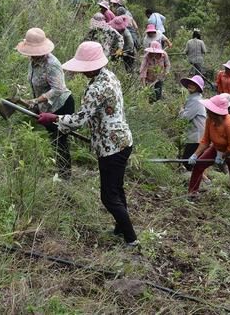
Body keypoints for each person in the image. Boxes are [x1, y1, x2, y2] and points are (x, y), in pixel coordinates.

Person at [37, 42, 139, 247]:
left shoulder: (98, 87)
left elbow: (80, 120)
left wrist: (54, 118)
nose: (82, 72)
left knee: (109, 197)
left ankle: (131, 239)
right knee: (116, 189)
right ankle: (121, 229)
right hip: (121, 140)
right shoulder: (109, 76)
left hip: (112, 146)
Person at [16, 28, 75, 179]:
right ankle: (57, 168)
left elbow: (58, 89)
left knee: (59, 141)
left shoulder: (52, 64)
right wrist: (34, 102)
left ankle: (64, 176)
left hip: (61, 106)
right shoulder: (33, 61)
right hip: (45, 105)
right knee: (52, 138)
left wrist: (36, 100)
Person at [187, 94, 230, 201]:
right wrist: (195, 155)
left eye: (209, 110)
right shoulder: (210, 120)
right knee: (199, 165)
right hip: (217, 148)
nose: (206, 111)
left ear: (216, 112)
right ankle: (192, 193)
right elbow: (205, 140)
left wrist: (222, 156)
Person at [178, 75, 207, 173]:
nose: (191, 85)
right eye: (190, 83)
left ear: (198, 88)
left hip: (196, 136)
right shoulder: (193, 99)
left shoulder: (196, 101)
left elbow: (184, 118)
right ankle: (201, 180)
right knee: (191, 161)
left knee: (188, 161)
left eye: (194, 84)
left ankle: (203, 181)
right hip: (194, 134)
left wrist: (181, 110)